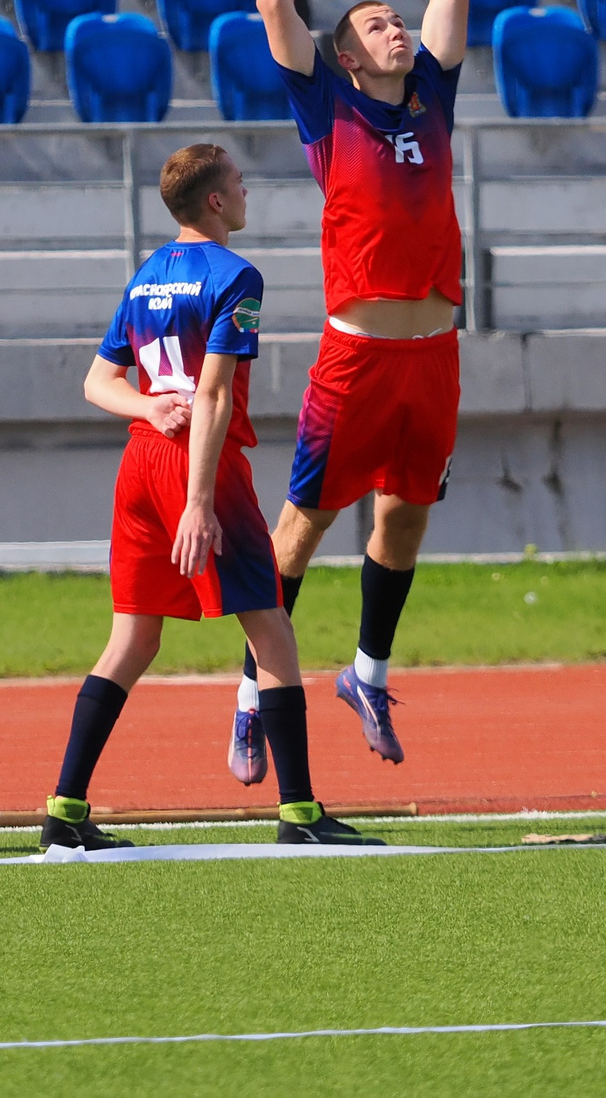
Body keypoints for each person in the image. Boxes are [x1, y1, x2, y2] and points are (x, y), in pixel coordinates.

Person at [45, 143, 381, 851]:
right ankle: (299, 813)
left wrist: (144, 407)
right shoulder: (237, 275)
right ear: (217, 202)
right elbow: (216, 394)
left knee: (132, 637)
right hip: (201, 465)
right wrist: (199, 499)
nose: (248, 186)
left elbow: (95, 382)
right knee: (271, 628)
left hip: (139, 465)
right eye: (238, 178)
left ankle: (64, 811)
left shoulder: (146, 276)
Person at [228, 0, 470, 779]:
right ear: (349, 57)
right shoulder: (326, 103)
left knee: (404, 516)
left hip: (433, 352)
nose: (397, 28)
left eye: (396, 22)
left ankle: (366, 674)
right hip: (357, 357)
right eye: (375, 26)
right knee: (303, 527)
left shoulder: (432, 94)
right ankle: (255, 688)